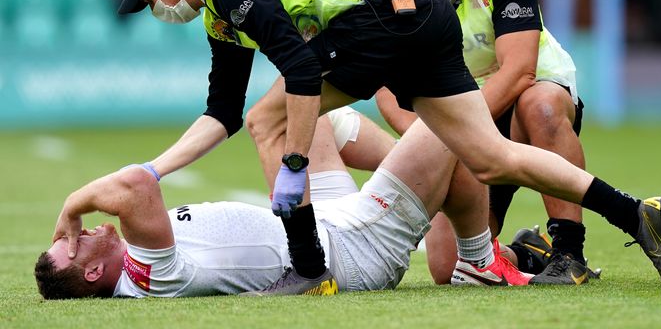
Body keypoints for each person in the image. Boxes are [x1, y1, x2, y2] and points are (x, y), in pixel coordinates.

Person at [74, 0, 661, 295]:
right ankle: (634, 213)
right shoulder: (219, 9)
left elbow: (302, 72)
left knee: (275, 119)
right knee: (491, 158)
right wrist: (152, 172)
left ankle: (309, 265)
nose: (154, 8)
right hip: (414, 7)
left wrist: (292, 165)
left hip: (385, 9)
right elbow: (221, 113)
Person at [37, 110, 533, 299]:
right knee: (443, 124)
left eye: (68, 233)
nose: (80, 232)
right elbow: (133, 186)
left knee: (300, 117)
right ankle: (477, 258)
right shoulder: (146, 273)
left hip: (324, 225)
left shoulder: (137, 263)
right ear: (91, 274)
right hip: (351, 253)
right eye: (73, 244)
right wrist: (71, 204)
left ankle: (428, 184)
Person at [376, 0, 593, 285]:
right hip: (463, 122)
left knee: (538, 107)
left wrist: (460, 131)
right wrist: (439, 141)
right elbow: (385, 89)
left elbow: (520, 69)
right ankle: (528, 252)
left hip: (528, 91)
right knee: (449, 268)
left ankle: (569, 254)